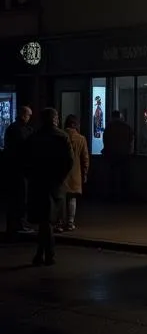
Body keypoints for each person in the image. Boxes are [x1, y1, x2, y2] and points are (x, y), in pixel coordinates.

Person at [25, 108, 74, 266]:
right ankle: (48, 254)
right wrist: (60, 177)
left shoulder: (34, 138)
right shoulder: (62, 137)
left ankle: (41, 254)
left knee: (43, 221)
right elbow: (69, 161)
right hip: (55, 184)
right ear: (55, 119)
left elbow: (25, 161)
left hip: (38, 183)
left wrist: (31, 176)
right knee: (48, 221)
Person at [3, 105, 34, 236]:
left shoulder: (12, 128)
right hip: (20, 169)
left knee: (15, 198)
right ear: (23, 115)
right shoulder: (20, 130)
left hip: (14, 168)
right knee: (21, 197)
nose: (29, 118)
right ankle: (20, 224)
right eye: (28, 116)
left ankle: (13, 225)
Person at [58, 115, 90, 232]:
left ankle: (59, 223)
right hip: (75, 173)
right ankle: (70, 223)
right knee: (72, 198)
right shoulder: (81, 139)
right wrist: (85, 172)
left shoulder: (60, 136)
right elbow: (85, 158)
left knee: (60, 198)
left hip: (61, 172)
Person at [103, 109, 134, 202]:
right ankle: (125, 196)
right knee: (124, 176)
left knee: (112, 176)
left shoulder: (109, 127)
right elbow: (131, 140)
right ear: (120, 116)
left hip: (112, 154)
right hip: (125, 154)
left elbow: (105, 140)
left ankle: (113, 196)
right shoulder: (126, 127)